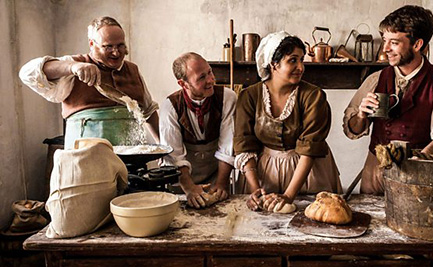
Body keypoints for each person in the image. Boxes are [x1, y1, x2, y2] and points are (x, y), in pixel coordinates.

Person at [343, 5, 433, 194]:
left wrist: (422, 158)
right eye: (385, 41)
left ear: (417, 45)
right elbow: (353, 129)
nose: (385, 50)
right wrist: (361, 115)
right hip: (374, 170)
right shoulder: (375, 79)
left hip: (417, 173)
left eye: (394, 42)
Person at [234, 31, 343, 212]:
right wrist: (255, 190)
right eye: (293, 60)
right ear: (273, 63)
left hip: (309, 171)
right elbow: (244, 144)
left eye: (302, 60)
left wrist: (288, 195)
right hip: (264, 171)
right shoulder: (249, 96)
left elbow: (310, 148)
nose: (300, 67)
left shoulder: (313, 96)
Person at [19, 16, 160, 149]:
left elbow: (148, 112)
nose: (116, 53)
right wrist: (72, 67)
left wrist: (163, 148)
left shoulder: (133, 70)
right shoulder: (74, 65)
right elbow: (27, 73)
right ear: (92, 44)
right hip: (85, 161)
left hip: (130, 162)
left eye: (120, 46)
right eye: (108, 47)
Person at [160, 52, 236, 209]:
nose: (210, 80)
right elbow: (174, 155)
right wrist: (189, 189)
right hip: (183, 180)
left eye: (210, 72)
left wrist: (221, 184)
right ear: (183, 84)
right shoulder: (170, 106)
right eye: (201, 77)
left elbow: (228, 145)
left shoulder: (227, 98)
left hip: (217, 174)